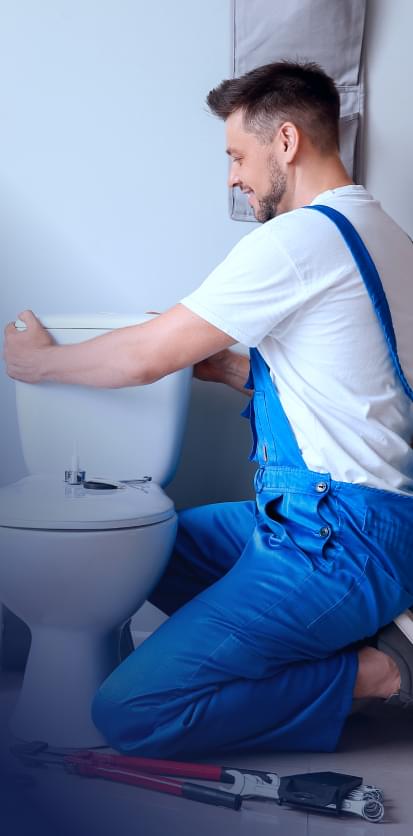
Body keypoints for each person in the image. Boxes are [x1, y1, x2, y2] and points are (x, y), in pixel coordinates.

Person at [4, 61, 413, 759]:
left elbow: (144, 357)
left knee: (133, 711)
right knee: (155, 547)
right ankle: (318, 640)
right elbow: (357, 390)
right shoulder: (387, 238)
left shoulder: (298, 240)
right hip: (344, 521)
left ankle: (379, 672)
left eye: (235, 155)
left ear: (284, 141)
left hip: (334, 538)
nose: (231, 176)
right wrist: (228, 367)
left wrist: (37, 363)